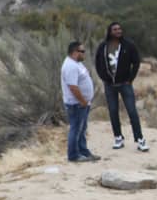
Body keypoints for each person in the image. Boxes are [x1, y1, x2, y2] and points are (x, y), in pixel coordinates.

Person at [94, 21, 148, 152]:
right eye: (115, 29)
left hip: (125, 85)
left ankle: (140, 139)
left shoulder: (128, 45)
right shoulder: (103, 46)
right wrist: (104, 78)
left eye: (119, 29)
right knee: (113, 112)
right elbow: (97, 63)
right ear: (110, 32)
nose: (118, 31)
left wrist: (130, 79)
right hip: (110, 86)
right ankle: (118, 138)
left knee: (132, 112)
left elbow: (136, 62)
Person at [61, 41, 99, 163]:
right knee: (76, 129)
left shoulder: (77, 63)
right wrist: (82, 101)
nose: (84, 54)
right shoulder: (70, 66)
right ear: (74, 52)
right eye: (82, 51)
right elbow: (73, 87)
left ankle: (83, 152)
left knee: (82, 129)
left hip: (83, 103)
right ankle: (73, 155)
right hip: (76, 104)